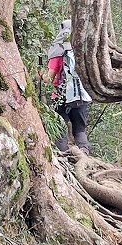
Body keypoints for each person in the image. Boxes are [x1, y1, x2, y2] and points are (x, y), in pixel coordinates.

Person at [44, 19, 92, 155]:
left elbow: (49, 78)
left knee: (60, 127)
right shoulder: (83, 51)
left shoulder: (57, 52)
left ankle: (63, 155)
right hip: (81, 96)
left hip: (60, 96)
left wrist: (39, 75)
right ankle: (84, 155)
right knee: (80, 129)